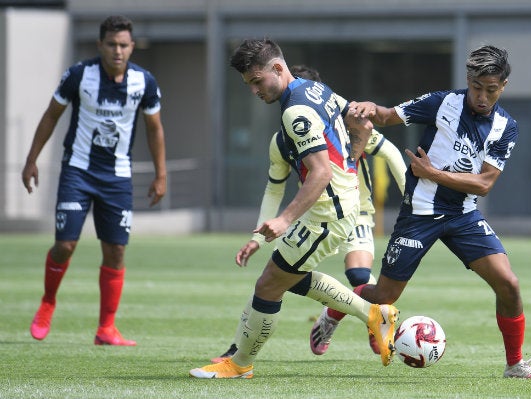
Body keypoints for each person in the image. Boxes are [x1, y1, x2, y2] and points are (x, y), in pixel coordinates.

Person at [310, 45, 531, 379]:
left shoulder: (505, 127)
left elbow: (483, 184)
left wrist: (434, 173)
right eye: (477, 88)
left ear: (504, 87)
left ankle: (515, 364)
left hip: (464, 215)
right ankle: (336, 310)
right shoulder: (442, 103)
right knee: (382, 297)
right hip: (419, 215)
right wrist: (369, 108)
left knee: (508, 284)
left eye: (491, 90)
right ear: (468, 80)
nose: (483, 97)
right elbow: (385, 115)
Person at [189, 39, 398, 379]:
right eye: (248, 85)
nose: (255, 90)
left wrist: (285, 218)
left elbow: (321, 171)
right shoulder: (314, 88)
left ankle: (239, 364)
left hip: (328, 212)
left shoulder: (294, 110)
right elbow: (359, 117)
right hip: (338, 205)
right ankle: (374, 314)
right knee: (288, 278)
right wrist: (352, 154)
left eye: (257, 81)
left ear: (278, 68)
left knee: (268, 285)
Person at [22, 15, 167, 346]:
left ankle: (106, 328)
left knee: (116, 250)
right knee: (65, 245)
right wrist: (31, 160)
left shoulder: (144, 82)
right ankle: (47, 302)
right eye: (112, 44)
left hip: (117, 177)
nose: (118, 51)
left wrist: (161, 174)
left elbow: (154, 128)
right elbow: (51, 115)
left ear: (132, 47)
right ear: (101, 45)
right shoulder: (78, 75)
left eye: (124, 45)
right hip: (78, 170)